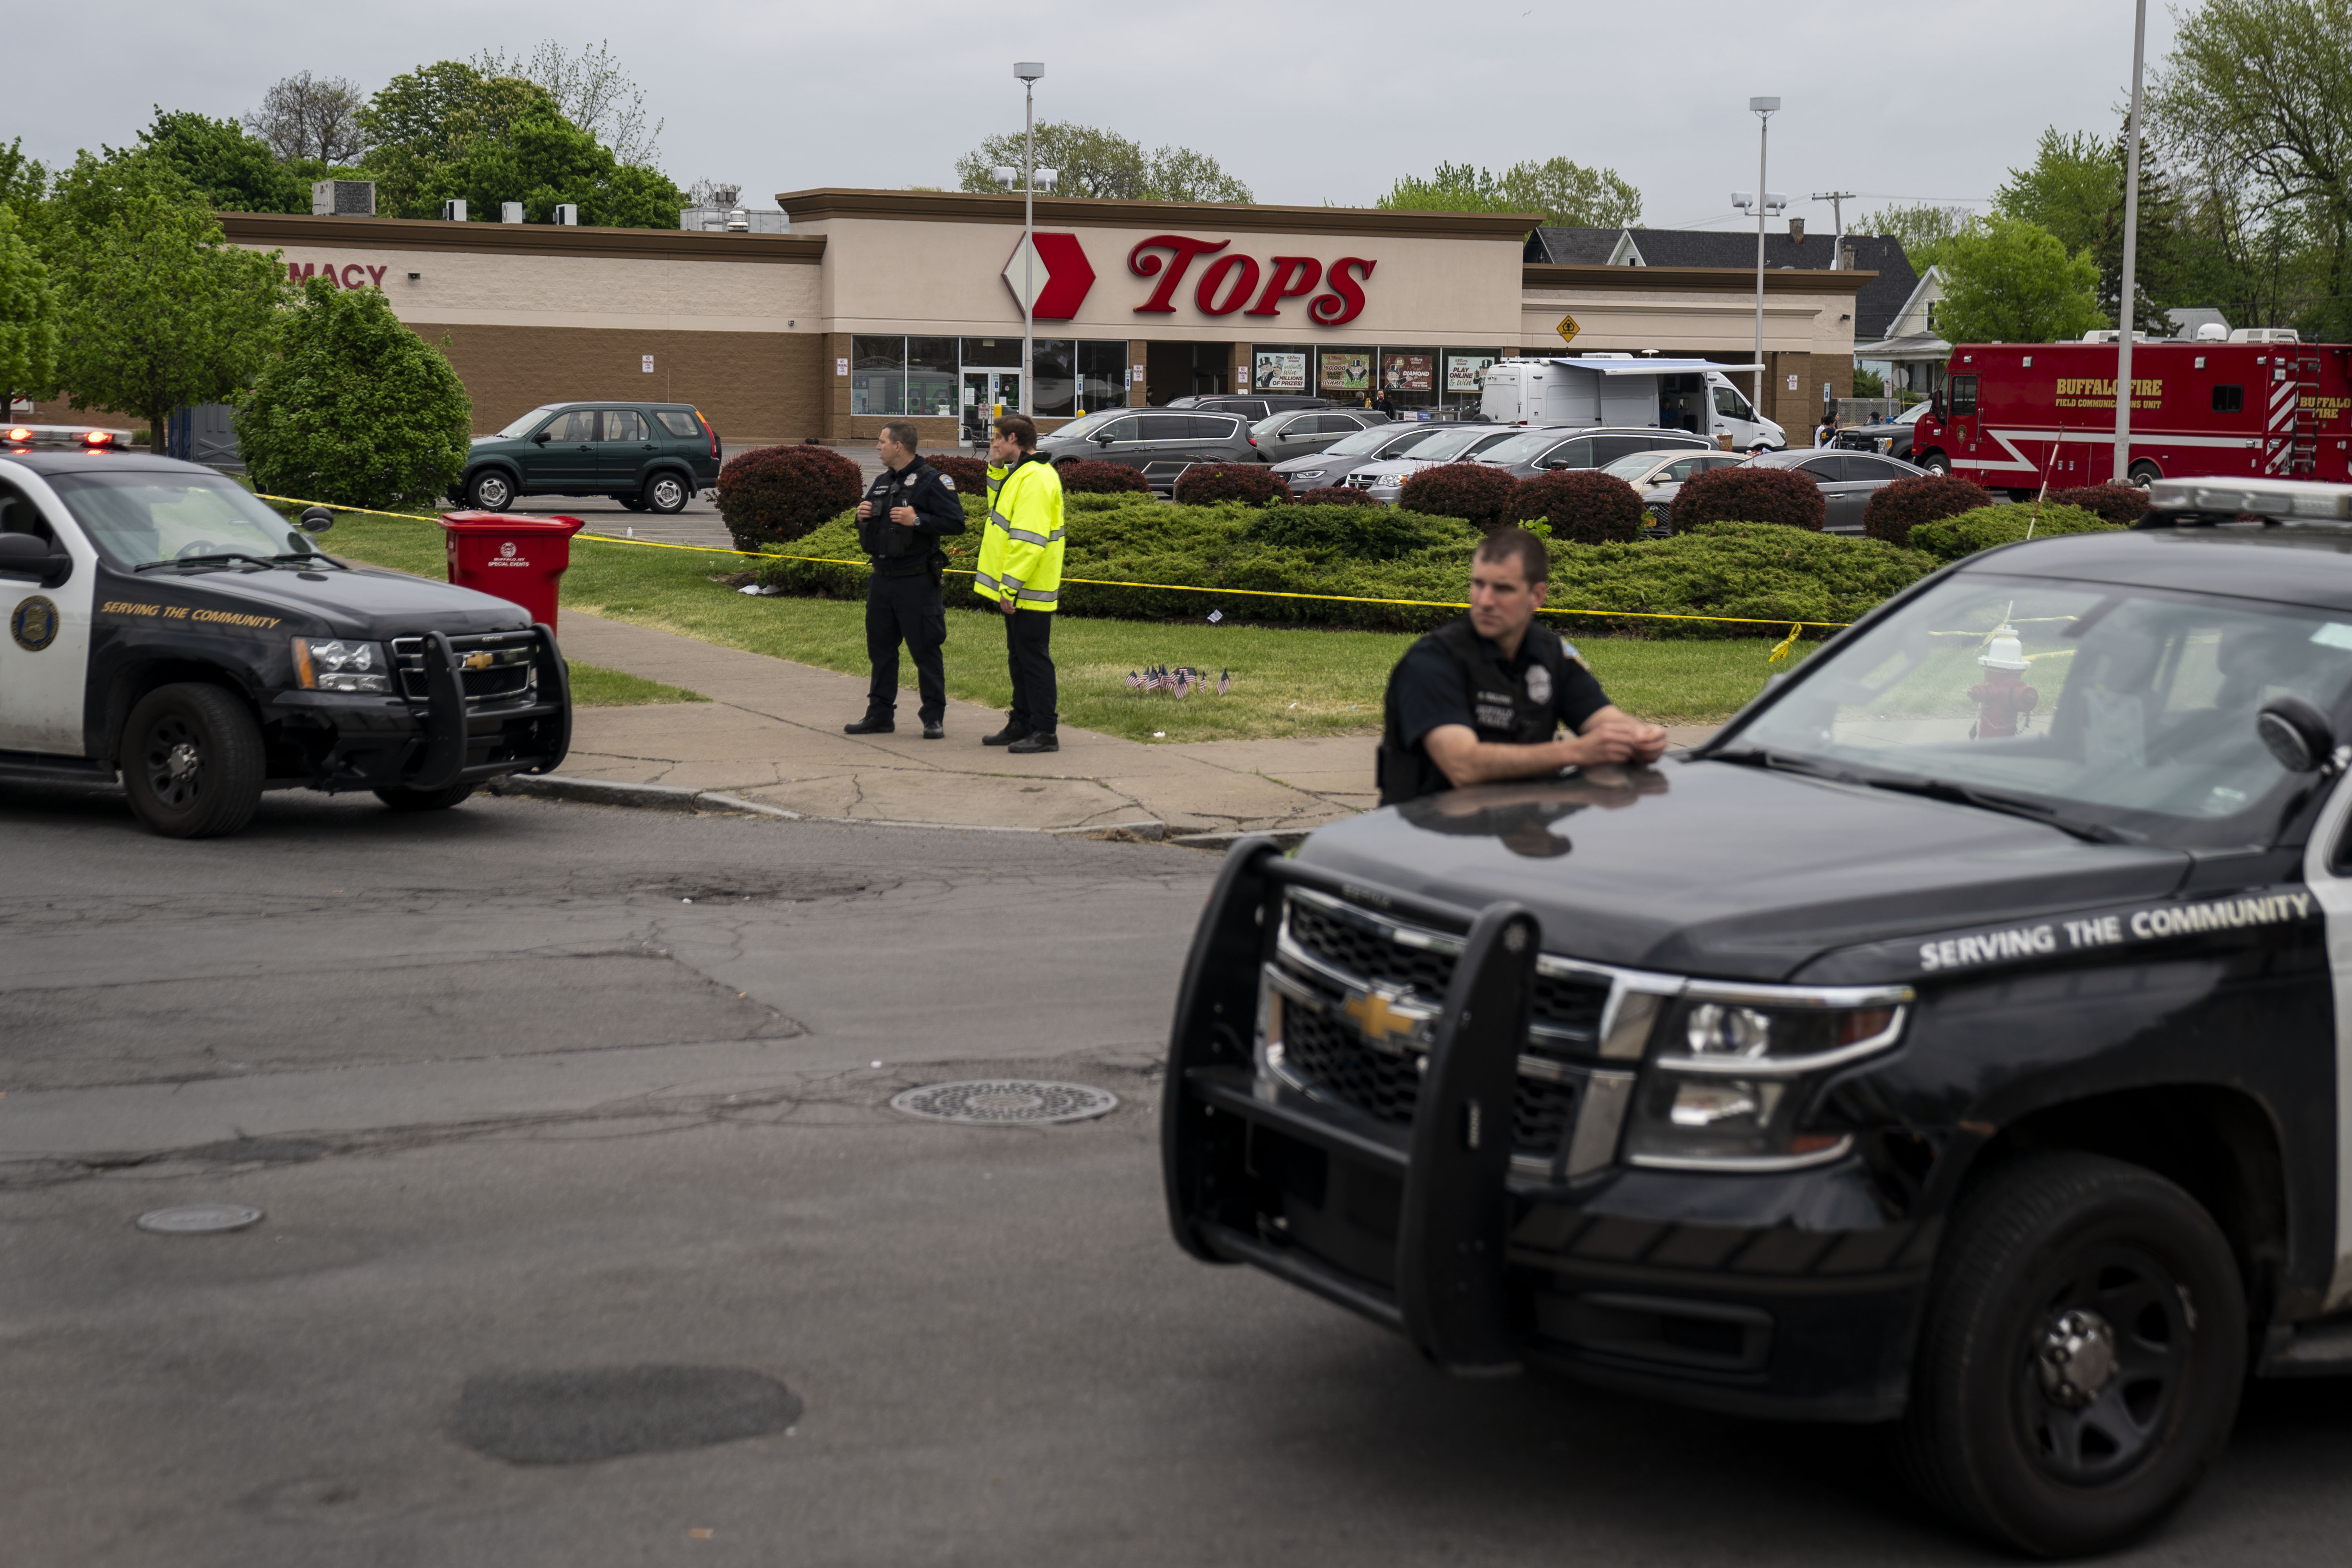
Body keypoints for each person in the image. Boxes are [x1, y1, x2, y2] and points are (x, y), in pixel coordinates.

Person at [1376, 528, 1668, 805]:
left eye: (1503, 589)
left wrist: (1641, 737)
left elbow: (1603, 718)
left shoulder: (1550, 653)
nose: (1485, 601)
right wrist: (1576, 752)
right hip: (1426, 837)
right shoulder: (1432, 661)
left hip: (1516, 828)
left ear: (1537, 597)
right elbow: (1463, 766)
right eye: (1478, 584)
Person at [844, 420, 965, 739]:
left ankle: (933, 717)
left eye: (882, 441)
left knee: (926, 650)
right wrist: (861, 518)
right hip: (882, 580)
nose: (877, 447)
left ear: (899, 446)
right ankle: (880, 715)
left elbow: (955, 523)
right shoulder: (883, 481)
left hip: (917, 582)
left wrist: (918, 520)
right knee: (881, 650)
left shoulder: (934, 481)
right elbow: (872, 526)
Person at [975, 413, 1066, 754]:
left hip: (1028, 589)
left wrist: (1009, 588)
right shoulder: (1021, 474)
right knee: (1020, 658)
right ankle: (1021, 722)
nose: (992, 444)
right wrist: (996, 467)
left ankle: (1045, 731)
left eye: (997, 438)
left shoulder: (1037, 478)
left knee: (1033, 659)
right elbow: (998, 508)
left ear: (1013, 438)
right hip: (1021, 588)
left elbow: (1029, 540)